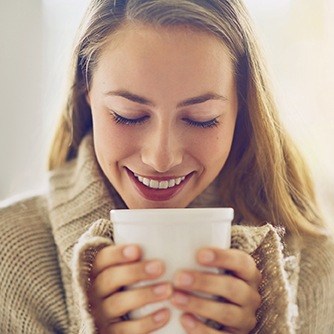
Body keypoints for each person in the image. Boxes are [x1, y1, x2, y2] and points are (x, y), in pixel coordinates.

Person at [1, 0, 334, 333]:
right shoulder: (9, 258)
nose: (160, 158)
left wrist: (270, 324)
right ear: (85, 93)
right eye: (128, 115)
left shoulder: (317, 268)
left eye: (201, 120)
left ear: (242, 109)